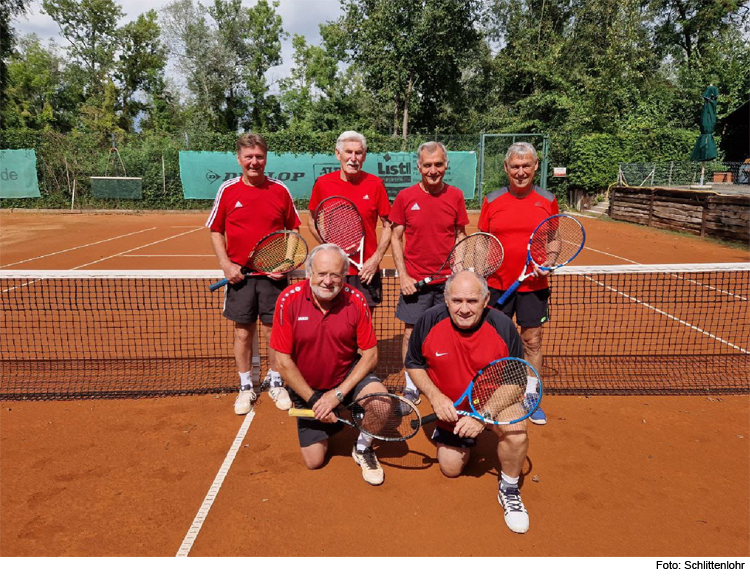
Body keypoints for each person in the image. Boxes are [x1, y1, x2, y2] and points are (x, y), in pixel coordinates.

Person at [405, 270, 531, 534]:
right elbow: (414, 365)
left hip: (492, 402)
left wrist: (483, 415)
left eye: (472, 301)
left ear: (486, 301)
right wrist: (435, 396)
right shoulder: (429, 320)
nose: (464, 309)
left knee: (517, 433)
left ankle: (508, 488)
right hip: (452, 408)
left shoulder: (503, 326)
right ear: (446, 300)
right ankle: (454, 434)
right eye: (457, 300)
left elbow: (516, 380)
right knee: (450, 468)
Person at [271, 244, 389, 486]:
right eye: (322, 273)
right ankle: (332, 414)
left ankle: (363, 447)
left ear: (344, 276)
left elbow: (370, 355)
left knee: (381, 403)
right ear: (309, 273)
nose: (328, 281)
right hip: (307, 385)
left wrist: (336, 396)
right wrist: (315, 401)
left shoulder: (356, 300)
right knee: (314, 460)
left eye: (335, 274)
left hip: (344, 378)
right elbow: (283, 362)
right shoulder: (288, 299)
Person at [207, 133, 300, 415]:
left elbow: (294, 229)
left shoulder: (280, 190)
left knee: (275, 332)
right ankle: (246, 386)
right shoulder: (228, 190)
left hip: (274, 277)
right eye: (248, 157)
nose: (254, 162)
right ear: (239, 159)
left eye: (259, 156)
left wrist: (286, 262)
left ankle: (276, 381)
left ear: (266, 158)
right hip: (240, 277)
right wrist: (226, 264)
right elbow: (215, 229)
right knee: (243, 333)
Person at [478, 142, 556, 426]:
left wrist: (551, 258)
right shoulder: (492, 199)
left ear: (536, 166)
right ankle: (489, 393)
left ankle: (531, 397)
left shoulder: (547, 199)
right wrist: (478, 277)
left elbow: (554, 237)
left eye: (526, 166)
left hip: (534, 286)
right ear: (506, 168)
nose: (520, 172)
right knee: (493, 341)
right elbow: (482, 241)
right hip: (497, 284)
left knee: (532, 342)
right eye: (515, 166)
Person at [390, 141, 469, 404]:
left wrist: (458, 268)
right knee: (412, 333)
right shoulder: (405, 197)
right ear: (418, 166)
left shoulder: (456, 196)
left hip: (448, 283)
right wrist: (403, 275)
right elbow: (395, 236)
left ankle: (444, 380)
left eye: (438, 164)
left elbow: (460, 234)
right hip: (415, 282)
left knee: (450, 332)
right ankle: (411, 384)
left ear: (446, 165)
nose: (433, 170)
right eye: (427, 165)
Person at [307, 131, 392, 310]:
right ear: (338, 154)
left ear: (364, 156)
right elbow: (311, 221)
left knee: (364, 326)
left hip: (366, 271)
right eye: (348, 152)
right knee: (333, 324)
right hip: (334, 271)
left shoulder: (376, 184)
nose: (353, 158)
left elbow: (388, 225)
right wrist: (331, 249)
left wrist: (375, 259)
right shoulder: (323, 184)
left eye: (358, 153)